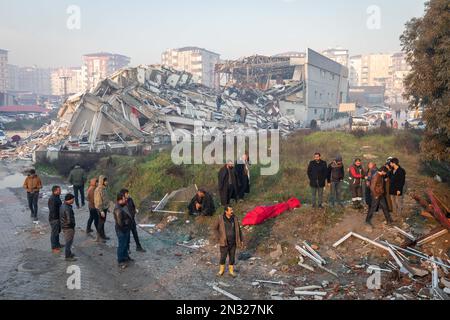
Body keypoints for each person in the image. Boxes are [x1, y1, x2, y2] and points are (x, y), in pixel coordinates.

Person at [212, 206, 243, 278]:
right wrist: (219, 237)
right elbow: (215, 228)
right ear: (226, 211)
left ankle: (231, 271)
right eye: (230, 210)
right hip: (224, 242)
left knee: (232, 257)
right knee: (223, 257)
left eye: (232, 210)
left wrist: (241, 240)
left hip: (233, 242)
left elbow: (238, 230)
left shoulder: (234, 218)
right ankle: (221, 271)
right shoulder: (220, 218)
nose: (232, 211)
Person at [120, 189, 146, 253]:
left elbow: (133, 207)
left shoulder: (130, 199)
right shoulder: (122, 202)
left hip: (132, 220)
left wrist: (135, 210)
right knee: (127, 236)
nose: (128, 194)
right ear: (123, 194)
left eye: (128, 193)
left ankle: (138, 247)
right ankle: (127, 248)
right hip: (127, 221)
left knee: (135, 233)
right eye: (126, 193)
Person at [113, 193, 133, 269]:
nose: (126, 200)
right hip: (121, 230)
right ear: (120, 200)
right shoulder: (118, 209)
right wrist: (127, 222)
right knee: (121, 245)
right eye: (124, 199)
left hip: (126, 228)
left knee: (125, 244)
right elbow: (120, 223)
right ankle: (120, 261)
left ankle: (126, 257)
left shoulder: (123, 205)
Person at [60, 194, 76, 261]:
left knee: (68, 241)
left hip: (64, 226)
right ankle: (67, 256)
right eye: (73, 199)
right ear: (69, 199)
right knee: (68, 242)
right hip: (68, 228)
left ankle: (69, 253)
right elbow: (69, 220)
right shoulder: (67, 208)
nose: (73, 200)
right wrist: (72, 226)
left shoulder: (63, 205)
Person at [94, 176, 110, 242]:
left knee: (103, 222)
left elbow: (105, 199)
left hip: (104, 208)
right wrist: (101, 211)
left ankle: (103, 235)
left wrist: (107, 207)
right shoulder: (98, 190)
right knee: (100, 223)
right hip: (101, 209)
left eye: (106, 181)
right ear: (102, 181)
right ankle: (98, 237)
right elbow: (98, 201)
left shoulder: (104, 188)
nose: (107, 182)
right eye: (105, 181)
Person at [48, 185, 62, 253]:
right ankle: (54, 247)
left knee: (57, 232)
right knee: (54, 233)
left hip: (57, 218)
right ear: (55, 191)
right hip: (54, 219)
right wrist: (56, 219)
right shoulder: (53, 199)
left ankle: (57, 244)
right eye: (59, 190)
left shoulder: (57, 197)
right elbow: (53, 210)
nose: (60, 191)